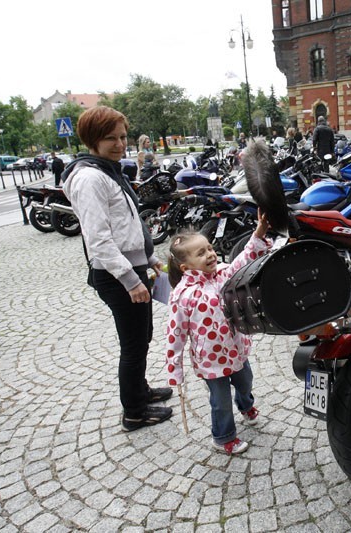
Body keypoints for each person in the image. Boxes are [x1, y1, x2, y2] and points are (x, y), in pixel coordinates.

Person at [62, 106, 172, 432]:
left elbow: (127, 226)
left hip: (133, 268)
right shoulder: (90, 177)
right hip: (116, 275)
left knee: (143, 337)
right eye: (110, 138)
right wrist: (129, 279)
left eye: (123, 136)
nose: (120, 143)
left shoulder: (108, 170)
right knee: (134, 345)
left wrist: (149, 260)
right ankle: (134, 412)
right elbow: (99, 240)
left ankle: (141, 391)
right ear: (92, 140)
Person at [164, 211, 271, 455]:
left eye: (210, 248)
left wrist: (259, 233)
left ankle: (246, 405)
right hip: (210, 361)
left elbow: (243, 261)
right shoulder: (182, 295)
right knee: (220, 401)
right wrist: (175, 369)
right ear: (185, 266)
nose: (210, 254)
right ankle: (223, 437)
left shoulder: (223, 272)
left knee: (246, 382)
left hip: (236, 348)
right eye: (201, 253)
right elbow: (175, 334)